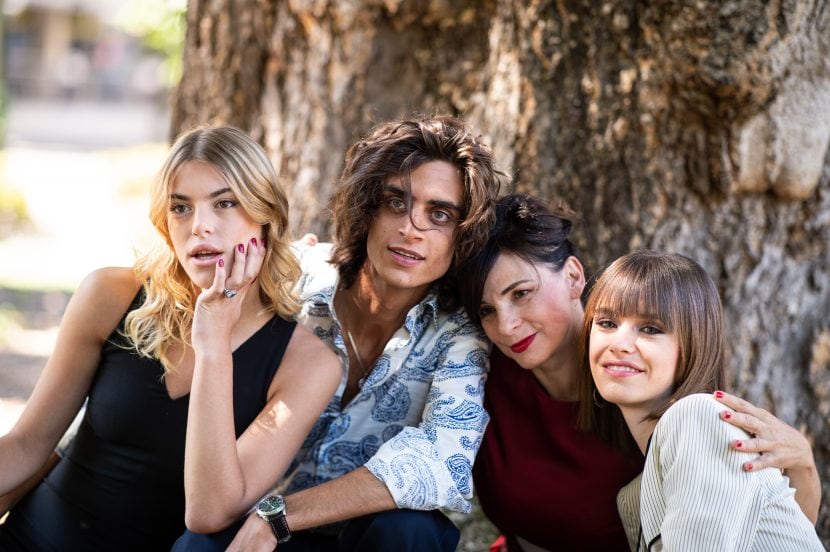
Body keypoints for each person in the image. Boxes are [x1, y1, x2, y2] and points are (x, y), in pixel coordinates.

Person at [0, 125, 341, 550]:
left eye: (225, 203)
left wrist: (214, 340)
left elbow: (209, 510)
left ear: (266, 217)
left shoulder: (307, 363)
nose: (200, 226)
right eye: (181, 207)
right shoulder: (111, 296)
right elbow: (26, 445)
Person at [173, 115, 504, 551]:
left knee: (411, 531)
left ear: (462, 233)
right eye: (395, 203)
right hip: (247, 523)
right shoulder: (292, 277)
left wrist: (280, 518)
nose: (411, 228)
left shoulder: (461, 336)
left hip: (354, 536)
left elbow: (440, 461)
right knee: (198, 544)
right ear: (367, 208)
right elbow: (180, 308)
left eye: (438, 214)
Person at [458, 194, 821, 551]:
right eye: (486, 310)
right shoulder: (634, 499)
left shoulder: (692, 418)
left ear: (573, 278)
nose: (505, 326)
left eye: (521, 294)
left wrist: (802, 464)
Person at [579, 250, 823, 550]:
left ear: (694, 345)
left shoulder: (700, 417)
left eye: (650, 329)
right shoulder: (635, 495)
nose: (619, 344)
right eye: (606, 323)